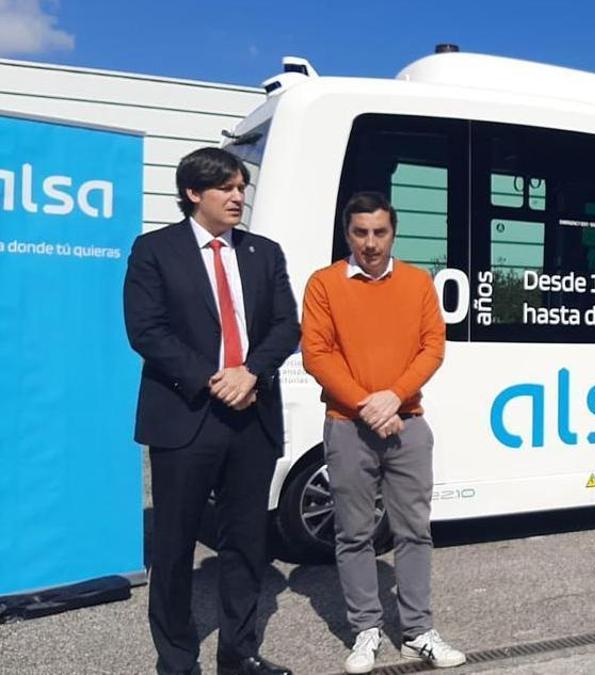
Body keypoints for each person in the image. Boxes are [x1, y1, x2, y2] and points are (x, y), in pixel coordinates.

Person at [124, 147, 299, 675]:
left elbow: (286, 326)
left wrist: (251, 373)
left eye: (241, 187)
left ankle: (239, 652)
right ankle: (176, 660)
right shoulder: (155, 250)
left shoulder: (263, 252)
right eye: (226, 188)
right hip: (186, 415)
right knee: (175, 547)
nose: (238, 196)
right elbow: (146, 330)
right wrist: (212, 379)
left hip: (253, 416)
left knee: (247, 544)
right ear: (192, 194)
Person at [301, 192, 464, 672]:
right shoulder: (325, 284)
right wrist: (368, 404)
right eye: (360, 233)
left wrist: (394, 396)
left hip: (407, 424)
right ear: (348, 234)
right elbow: (317, 353)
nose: (370, 243)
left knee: (414, 532)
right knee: (353, 534)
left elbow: (433, 346)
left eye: (379, 232)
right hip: (348, 426)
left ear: (393, 232)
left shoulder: (416, 282)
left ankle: (417, 631)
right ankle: (366, 629)